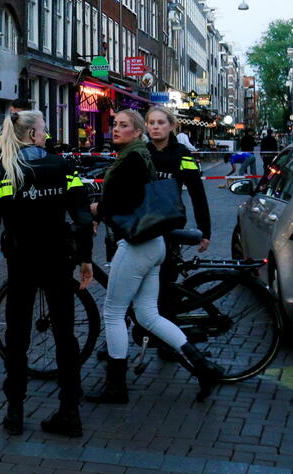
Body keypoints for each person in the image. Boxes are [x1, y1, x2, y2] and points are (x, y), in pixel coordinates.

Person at [88, 110, 223, 405]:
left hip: (137, 243)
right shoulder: (141, 154)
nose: (116, 129)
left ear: (138, 132)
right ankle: (204, 367)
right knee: (149, 314)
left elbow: (127, 199)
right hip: (156, 241)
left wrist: (99, 209)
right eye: (114, 124)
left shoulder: (134, 158)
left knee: (113, 312)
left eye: (124, 125)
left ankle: (116, 386)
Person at [0, 110, 93, 437]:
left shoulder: (3, 171)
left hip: (21, 261)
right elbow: (82, 216)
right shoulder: (62, 166)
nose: (45, 135)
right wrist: (84, 258)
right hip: (57, 258)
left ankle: (15, 410)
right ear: (31, 135)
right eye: (42, 130)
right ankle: (69, 410)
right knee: (65, 335)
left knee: (17, 335)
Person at [146, 107, 211, 254]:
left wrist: (205, 232)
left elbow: (197, 194)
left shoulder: (182, 153)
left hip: (171, 221)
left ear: (171, 126)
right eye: (151, 122)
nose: (155, 126)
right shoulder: (141, 153)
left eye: (161, 122)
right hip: (142, 223)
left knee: (167, 271)